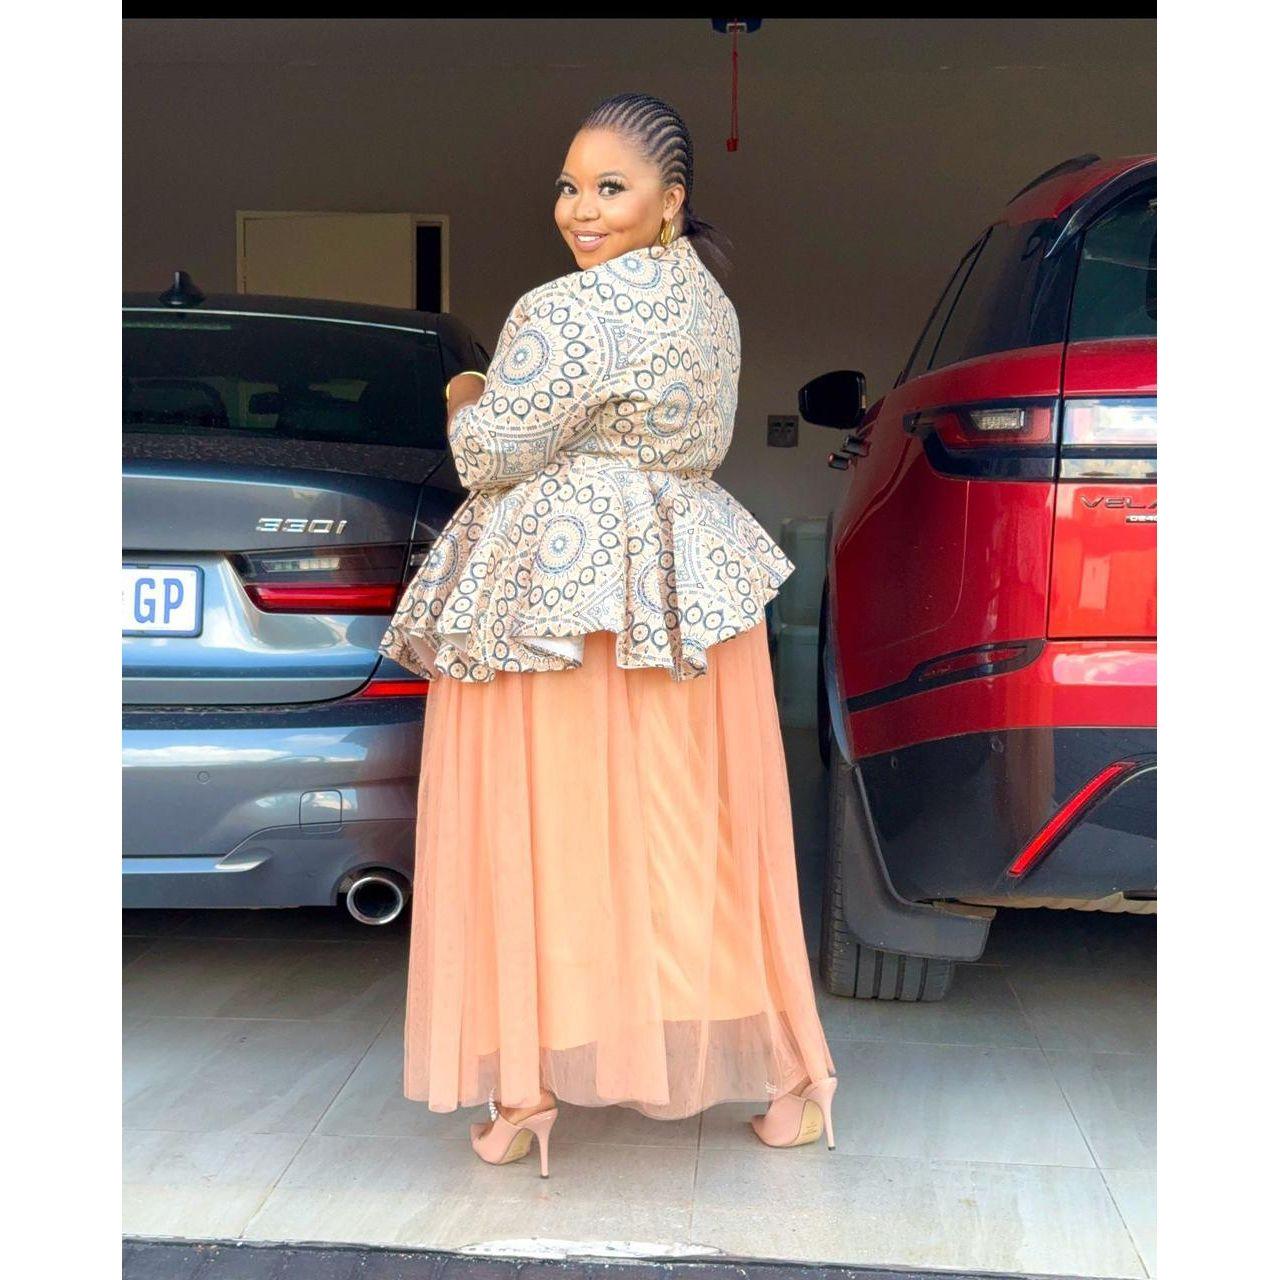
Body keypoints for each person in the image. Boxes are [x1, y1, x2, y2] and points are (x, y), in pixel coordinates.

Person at [379, 91, 836, 1178]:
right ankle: (795, 1079)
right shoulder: (711, 308)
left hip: (561, 597)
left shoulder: (564, 308)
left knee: (546, 836)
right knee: (689, 840)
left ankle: (524, 1089)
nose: (580, 210)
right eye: (569, 187)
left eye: (609, 188)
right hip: (683, 590)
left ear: (669, 200)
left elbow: (486, 454)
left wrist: (464, 387)